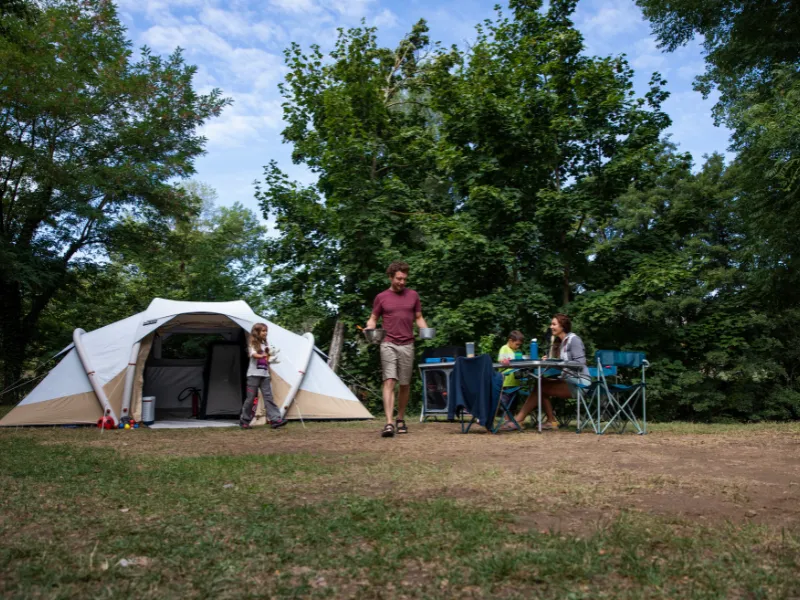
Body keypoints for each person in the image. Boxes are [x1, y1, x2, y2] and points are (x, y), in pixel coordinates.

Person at [366, 261, 429, 438]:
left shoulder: (413, 295)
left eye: (404, 279)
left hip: (407, 344)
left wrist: (425, 330)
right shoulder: (381, 297)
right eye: (399, 279)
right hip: (388, 343)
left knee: (404, 384)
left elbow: (419, 317)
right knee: (389, 380)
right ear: (390, 277)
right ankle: (389, 423)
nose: (402, 282)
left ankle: (400, 418)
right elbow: (373, 318)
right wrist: (369, 328)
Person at [500, 313, 590, 431]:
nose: (551, 326)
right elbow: (563, 365)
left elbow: (580, 363)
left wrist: (559, 363)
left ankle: (519, 420)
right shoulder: (562, 342)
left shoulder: (574, 340)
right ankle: (550, 421)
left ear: (562, 326)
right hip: (569, 380)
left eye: (554, 324)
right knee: (540, 382)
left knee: (541, 385)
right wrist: (550, 361)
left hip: (579, 383)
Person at [240, 322, 287, 430]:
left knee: (268, 397)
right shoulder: (253, 343)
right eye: (263, 331)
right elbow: (253, 355)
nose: (265, 333)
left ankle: (275, 420)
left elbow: (267, 358)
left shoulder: (265, 344)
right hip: (253, 375)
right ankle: (244, 421)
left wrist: (271, 359)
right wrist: (263, 355)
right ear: (257, 332)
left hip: (265, 375)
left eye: (266, 331)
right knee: (250, 398)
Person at [498, 330, 525, 408]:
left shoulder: (515, 351)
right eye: (517, 344)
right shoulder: (504, 348)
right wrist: (506, 361)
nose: (518, 346)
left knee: (513, 404)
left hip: (515, 382)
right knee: (505, 404)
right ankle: (505, 416)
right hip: (506, 382)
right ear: (510, 341)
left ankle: (512, 415)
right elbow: (501, 360)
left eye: (519, 345)